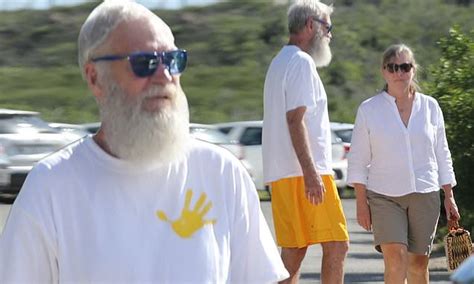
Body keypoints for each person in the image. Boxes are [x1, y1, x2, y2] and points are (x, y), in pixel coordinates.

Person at [0, 1, 289, 283]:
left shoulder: (222, 172)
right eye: (144, 63)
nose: (164, 76)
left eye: (173, 61)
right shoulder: (51, 187)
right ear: (95, 78)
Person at [347, 43, 460, 284]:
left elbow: (442, 151)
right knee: (396, 259)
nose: (399, 73)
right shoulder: (369, 109)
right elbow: (357, 159)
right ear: (384, 71)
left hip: (425, 192)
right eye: (393, 67)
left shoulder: (430, 107)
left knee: (418, 265)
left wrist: (448, 194)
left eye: (405, 67)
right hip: (384, 196)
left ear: (413, 70)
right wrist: (361, 203)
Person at [262, 0, 349, 283]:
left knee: (295, 249)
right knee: (337, 244)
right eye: (328, 27)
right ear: (311, 25)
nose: (330, 35)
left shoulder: (279, 61)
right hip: (305, 173)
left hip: (284, 173)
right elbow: (295, 119)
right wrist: (312, 173)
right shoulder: (301, 62)